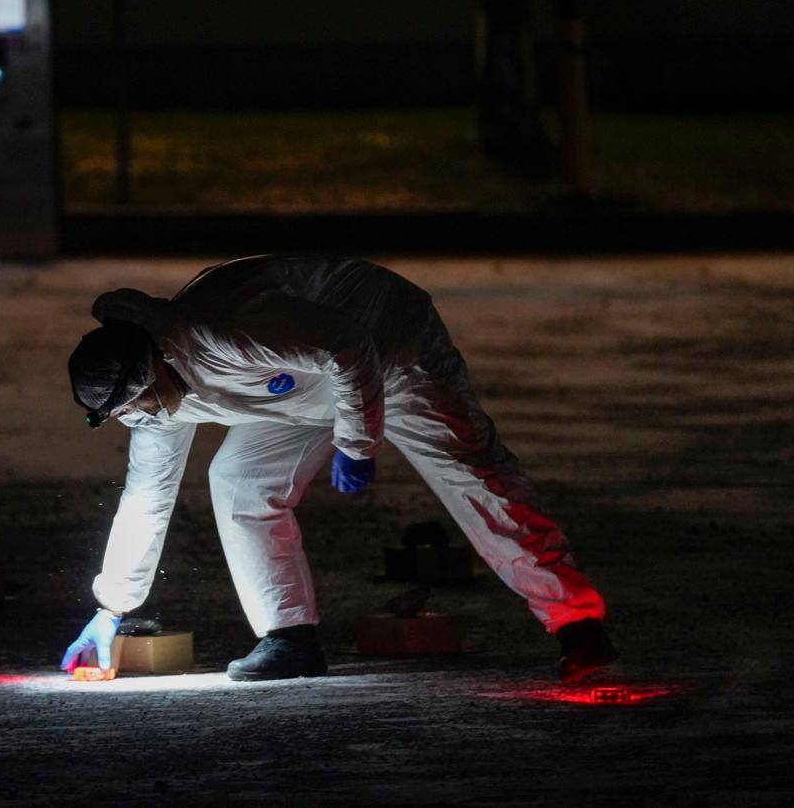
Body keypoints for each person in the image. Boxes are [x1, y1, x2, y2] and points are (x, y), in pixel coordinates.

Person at [60, 255, 616, 682]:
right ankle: (290, 638)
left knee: (473, 476)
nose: (139, 419)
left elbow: (349, 348)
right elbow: (147, 494)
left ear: (154, 367)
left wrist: (357, 443)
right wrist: (112, 606)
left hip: (391, 346)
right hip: (299, 389)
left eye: (138, 405)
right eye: (121, 416)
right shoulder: (150, 406)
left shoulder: (223, 335)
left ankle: (577, 624)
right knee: (240, 480)